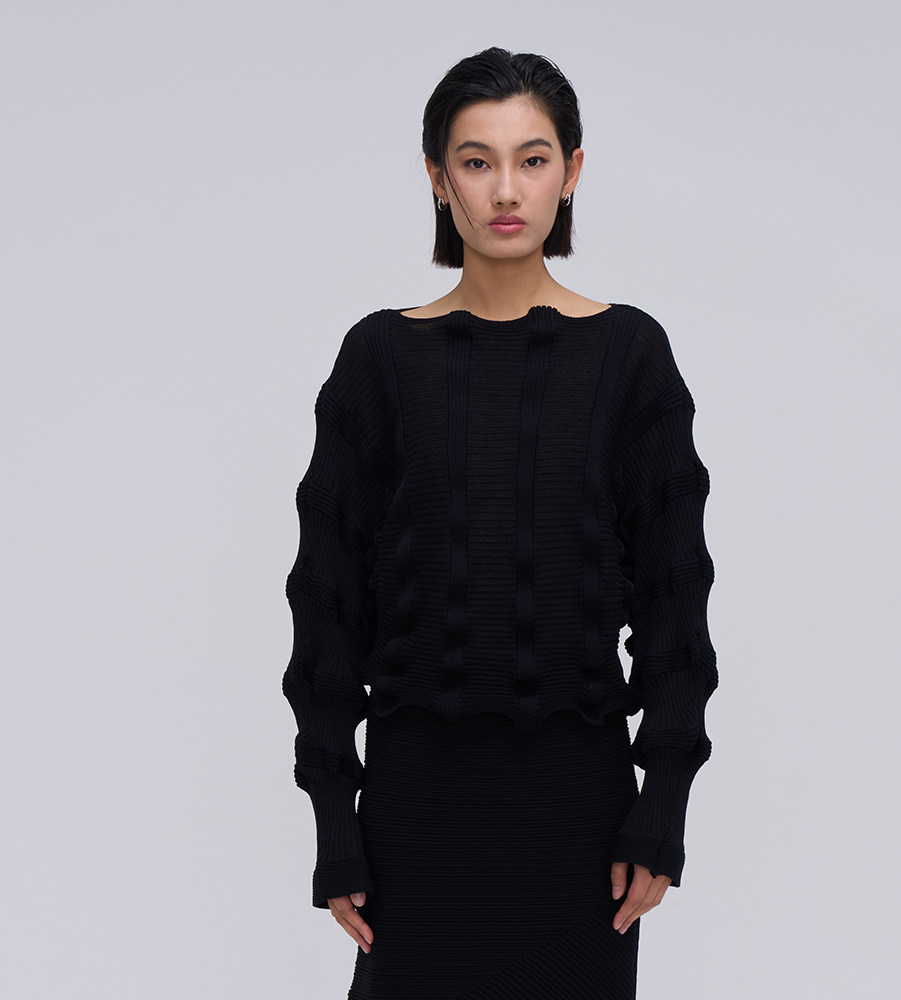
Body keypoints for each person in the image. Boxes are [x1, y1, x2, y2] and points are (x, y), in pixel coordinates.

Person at [282, 46, 718, 1000]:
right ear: (438, 178)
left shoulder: (631, 355)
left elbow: (676, 602)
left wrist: (664, 807)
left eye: (534, 158)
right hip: (415, 807)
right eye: (477, 161)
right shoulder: (378, 358)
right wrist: (333, 816)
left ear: (573, 171)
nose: (507, 190)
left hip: (579, 816)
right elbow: (327, 604)